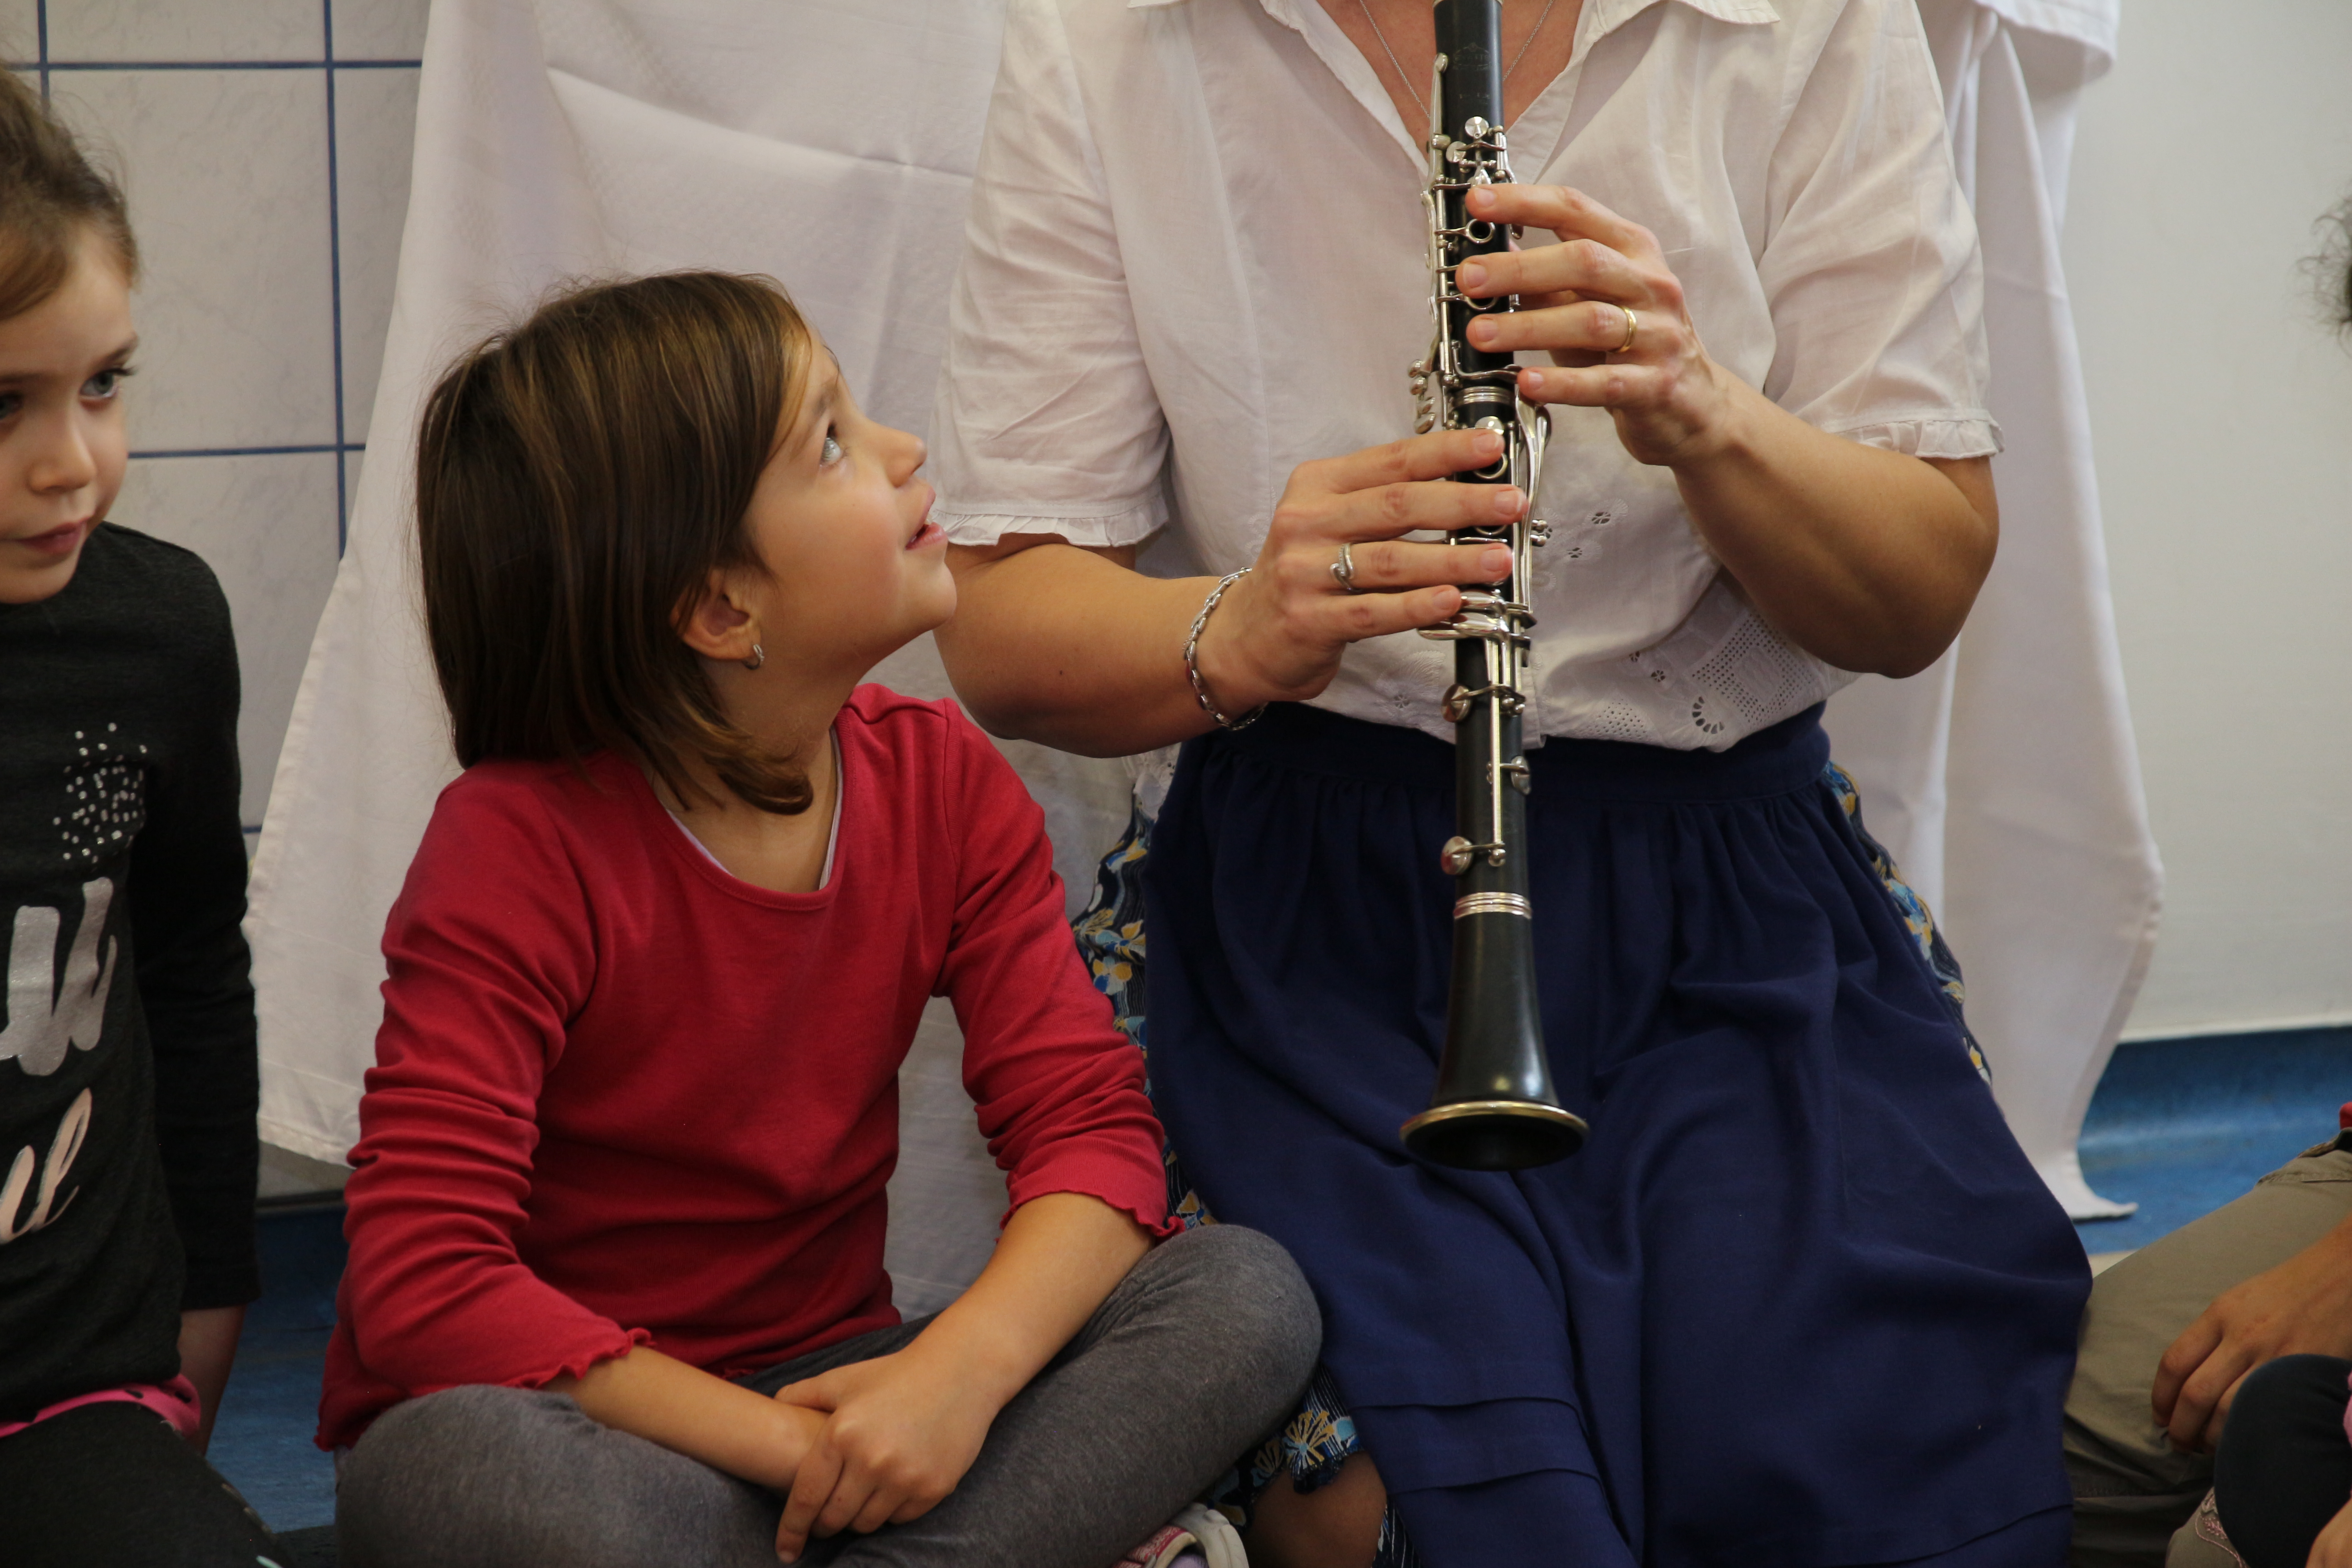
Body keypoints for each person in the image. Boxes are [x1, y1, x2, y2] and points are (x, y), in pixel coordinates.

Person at [929, 0, 2090, 1564]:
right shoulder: (1112, 36)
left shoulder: (1809, 21)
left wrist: (1705, 412)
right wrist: (1245, 623)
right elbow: (1004, 623)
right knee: (1442, 1498)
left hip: (1723, 912)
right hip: (1304, 928)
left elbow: (1918, 589)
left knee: (1838, 1456)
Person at [321, 271, 1322, 1568]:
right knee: (443, 1471)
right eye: (834, 442)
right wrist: (804, 1458)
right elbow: (424, 1278)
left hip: (851, 1382)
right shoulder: (513, 846)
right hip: (610, 1428)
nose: (903, 450)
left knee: (1244, 1294)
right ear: (720, 608)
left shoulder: (944, 784)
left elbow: (1089, 1137)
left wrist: (952, 1383)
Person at [0, 69, 275, 1568]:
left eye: (102, 383)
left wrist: (211, 1293)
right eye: (3, 404)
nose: (73, 461)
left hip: (72, 1381)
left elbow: (190, 973)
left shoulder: (157, 633)